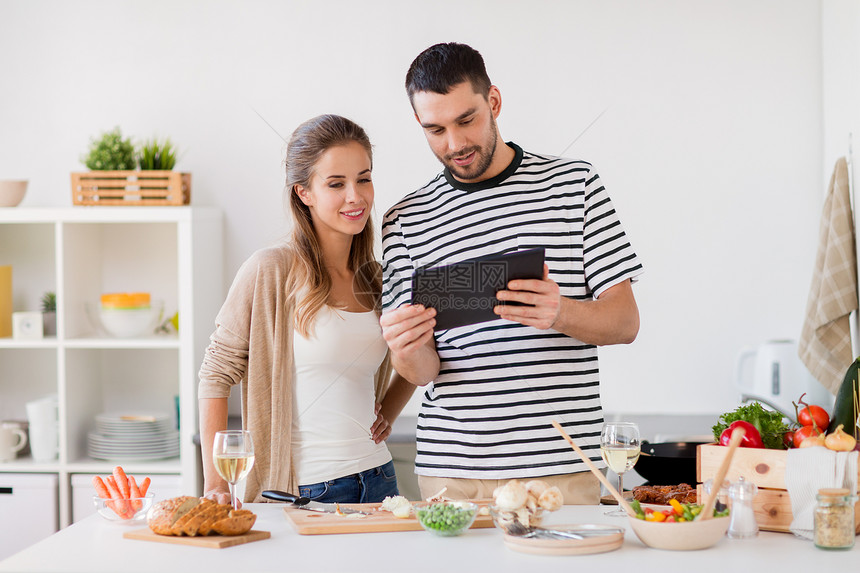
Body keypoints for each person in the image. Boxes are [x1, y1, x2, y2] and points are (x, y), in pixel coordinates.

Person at [379, 43, 644, 504]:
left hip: (561, 469)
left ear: (494, 102)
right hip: (452, 475)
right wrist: (406, 348)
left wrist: (557, 312)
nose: (455, 144)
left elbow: (624, 323)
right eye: (435, 130)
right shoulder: (405, 219)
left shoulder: (575, 186)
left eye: (467, 120)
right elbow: (422, 372)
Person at [199, 114, 415, 506]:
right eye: (336, 184)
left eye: (363, 179)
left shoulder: (378, 278)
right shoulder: (270, 271)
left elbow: (419, 351)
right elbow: (215, 375)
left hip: (380, 480)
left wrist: (392, 405)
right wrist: (215, 484)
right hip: (305, 490)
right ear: (304, 192)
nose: (356, 196)